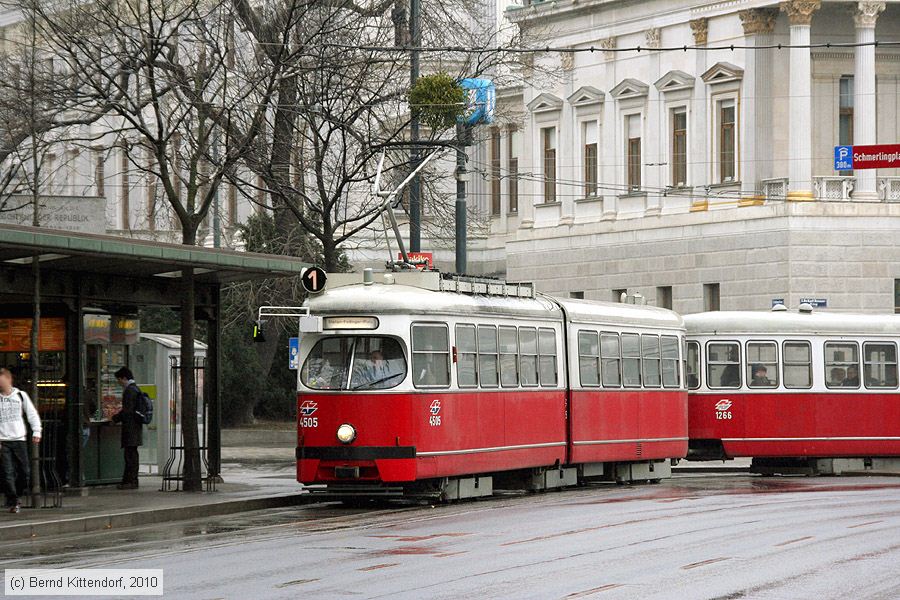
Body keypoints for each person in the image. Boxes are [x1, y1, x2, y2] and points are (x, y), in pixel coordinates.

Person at [0, 368, 42, 513]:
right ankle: (13, 500)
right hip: (2, 440)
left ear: (9, 379)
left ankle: (16, 494)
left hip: (19, 438)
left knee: (25, 471)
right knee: (7, 472)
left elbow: (32, 414)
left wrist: (37, 430)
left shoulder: (21, 395)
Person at [111, 367, 143, 489]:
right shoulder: (135, 389)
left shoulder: (130, 391)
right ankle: (131, 480)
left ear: (124, 378)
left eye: (119, 380)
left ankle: (130, 481)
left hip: (130, 428)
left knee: (130, 456)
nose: (119, 383)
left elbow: (127, 411)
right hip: (135, 427)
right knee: (132, 455)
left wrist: (115, 418)